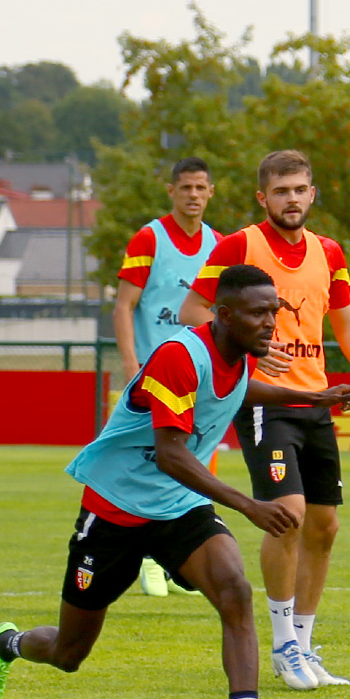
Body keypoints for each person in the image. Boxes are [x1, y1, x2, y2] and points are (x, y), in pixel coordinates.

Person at [0, 265, 350, 699]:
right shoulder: (180, 356)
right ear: (223, 315)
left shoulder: (239, 351)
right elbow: (170, 454)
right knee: (69, 653)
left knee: (235, 590)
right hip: (116, 508)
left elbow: (234, 390)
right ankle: (9, 645)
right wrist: (248, 504)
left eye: (274, 311)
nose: (271, 322)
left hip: (179, 506)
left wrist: (312, 397)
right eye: (259, 312)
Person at [180, 150, 350, 692]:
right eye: (281, 191)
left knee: (325, 527)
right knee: (289, 513)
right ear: (263, 198)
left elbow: (347, 327)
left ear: (312, 193)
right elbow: (192, 314)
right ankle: (281, 646)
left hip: (317, 402)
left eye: (300, 189)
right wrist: (248, 354)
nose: (292, 199)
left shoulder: (330, 252)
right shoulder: (239, 247)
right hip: (263, 402)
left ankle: (303, 644)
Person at [111, 157, 223, 598]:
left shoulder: (219, 244)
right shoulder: (149, 239)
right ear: (171, 192)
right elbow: (124, 306)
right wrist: (130, 363)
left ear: (211, 192)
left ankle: (176, 559)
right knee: (146, 465)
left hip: (200, 377)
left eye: (201, 187)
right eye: (186, 187)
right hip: (152, 378)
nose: (193, 194)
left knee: (197, 466)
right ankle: (147, 558)